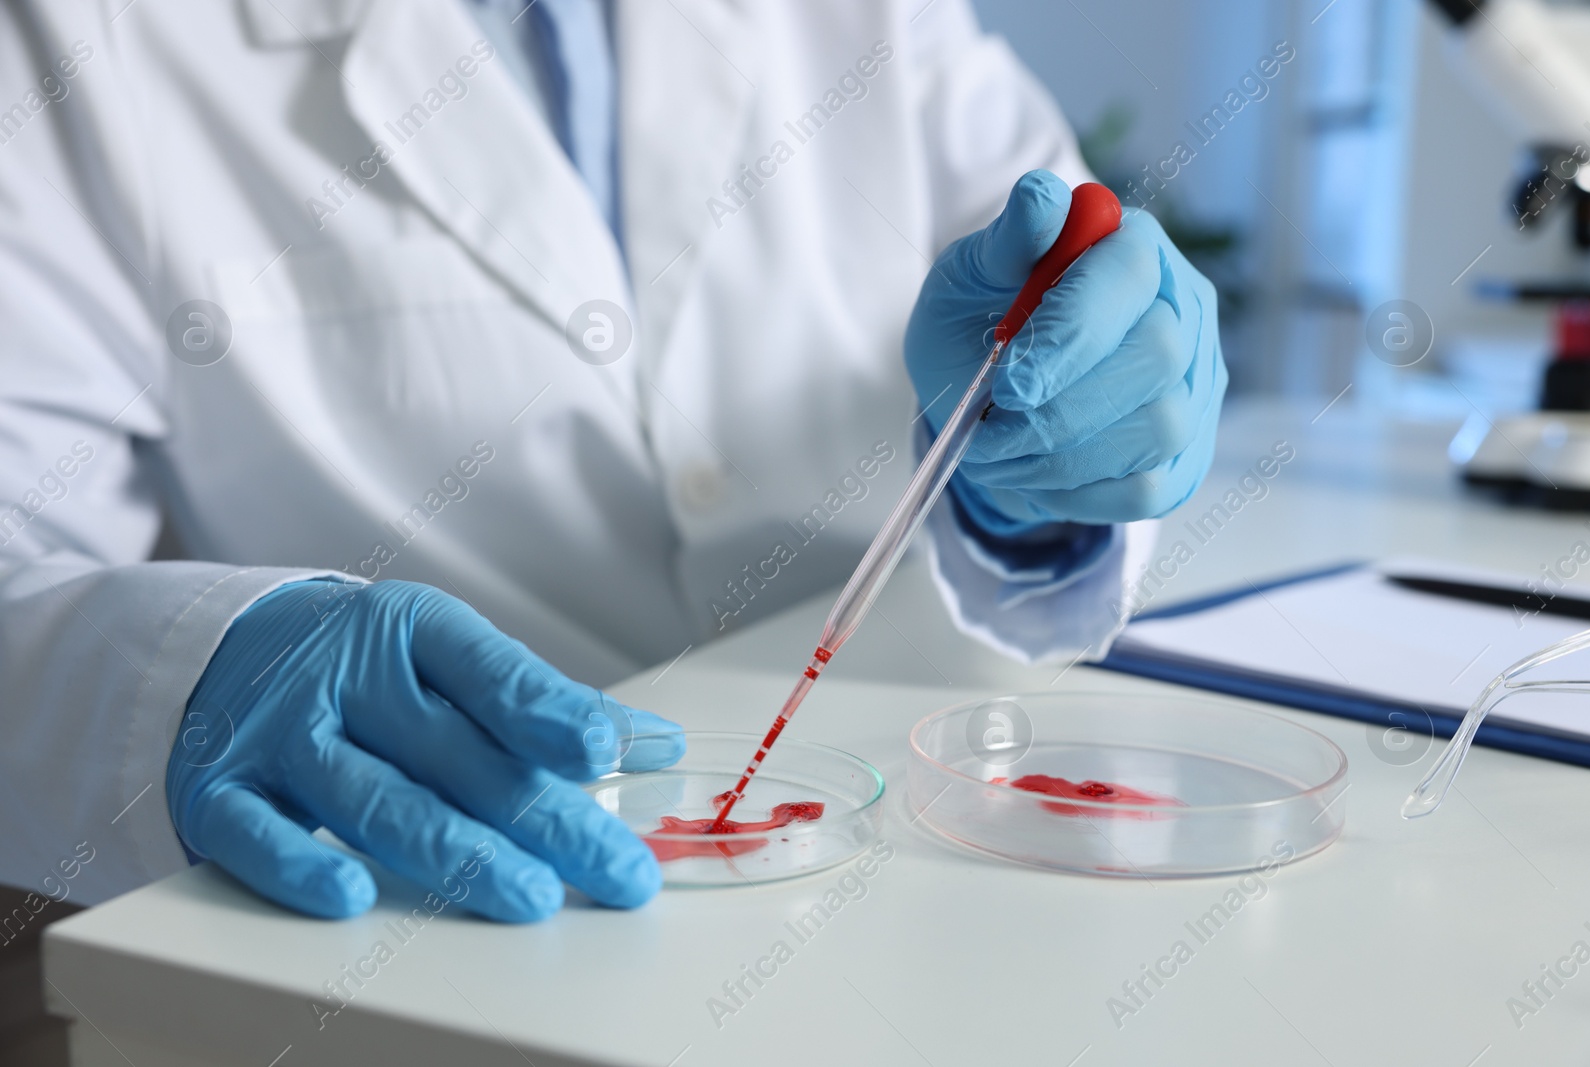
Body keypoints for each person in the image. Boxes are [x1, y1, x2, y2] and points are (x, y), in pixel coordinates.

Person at [0, 0, 1224, 921]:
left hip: (906, 847)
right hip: (441, 906)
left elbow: (1061, 291)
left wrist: (1034, 473)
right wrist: (187, 673)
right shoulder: (85, 38)